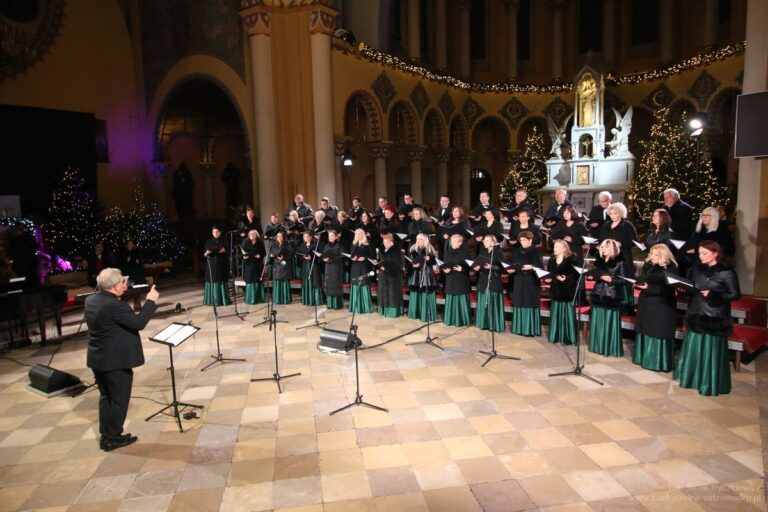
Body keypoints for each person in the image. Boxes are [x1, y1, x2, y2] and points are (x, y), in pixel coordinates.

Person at [85, 268, 159, 451]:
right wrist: (150, 301)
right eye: (122, 283)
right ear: (114, 286)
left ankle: (107, 434)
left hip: (98, 359)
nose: (125, 286)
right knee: (119, 400)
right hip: (115, 361)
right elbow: (138, 323)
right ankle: (112, 438)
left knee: (106, 397)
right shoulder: (115, 306)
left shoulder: (91, 300)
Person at [675, 241, 740, 396]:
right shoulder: (697, 269)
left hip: (713, 316)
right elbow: (694, 286)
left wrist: (713, 295)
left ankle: (709, 382)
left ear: (715, 253)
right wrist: (684, 288)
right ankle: (691, 380)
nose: (700, 256)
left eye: (704, 253)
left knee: (711, 351)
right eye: (699, 254)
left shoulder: (727, 272)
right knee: (694, 350)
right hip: (695, 312)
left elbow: (735, 294)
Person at [633, 244, 678, 372]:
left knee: (656, 331)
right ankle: (643, 357)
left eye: (656, 255)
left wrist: (648, 288)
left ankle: (657, 362)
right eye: (651, 254)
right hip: (647, 303)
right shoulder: (649, 267)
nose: (652, 257)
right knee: (645, 329)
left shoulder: (671, 269)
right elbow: (642, 280)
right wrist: (637, 284)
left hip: (662, 305)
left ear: (664, 256)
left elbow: (668, 290)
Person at [588, 239, 627, 357]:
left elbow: (624, 281)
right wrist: (591, 277)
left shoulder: (620, 261)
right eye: (603, 247)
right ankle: (597, 346)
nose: (604, 249)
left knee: (609, 324)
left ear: (613, 249)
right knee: (597, 322)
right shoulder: (599, 261)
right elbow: (596, 275)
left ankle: (609, 348)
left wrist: (611, 280)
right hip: (598, 293)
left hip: (611, 295)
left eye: (606, 247)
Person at [507, 231, 544, 336]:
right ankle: (519, 328)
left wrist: (532, 267)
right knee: (519, 302)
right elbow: (513, 264)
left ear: (530, 240)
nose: (522, 242)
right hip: (519, 280)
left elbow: (541, 268)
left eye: (524, 240)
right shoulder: (516, 251)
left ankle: (530, 329)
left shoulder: (536, 251)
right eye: (521, 240)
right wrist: (511, 269)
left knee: (529, 302)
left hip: (531, 281)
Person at [546, 240, 578, 345]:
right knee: (556, 314)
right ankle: (555, 336)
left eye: (557, 247)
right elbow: (550, 273)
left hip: (567, 291)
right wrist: (548, 278)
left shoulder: (572, 259)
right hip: (556, 290)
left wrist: (566, 278)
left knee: (567, 315)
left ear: (564, 248)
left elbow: (576, 275)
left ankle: (568, 337)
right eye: (555, 247)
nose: (555, 249)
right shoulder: (552, 259)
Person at [473, 234, 505, 332]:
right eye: (484, 241)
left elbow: (502, 268)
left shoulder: (498, 252)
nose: (484, 242)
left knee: (492, 302)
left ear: (492, 242)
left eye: (486, 241)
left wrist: (492, 267)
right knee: (483, 301)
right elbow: (478, 265)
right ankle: (484, 323)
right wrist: (476, 268)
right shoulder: (483, 252)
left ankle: (494, 325)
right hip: (483, 279)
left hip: (494, 280)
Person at [598, 202, 637, 280]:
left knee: (623, 280)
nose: (612, 216)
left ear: (620, 213)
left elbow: (634, 241)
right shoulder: (606, 225)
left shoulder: (627, 225)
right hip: (608, 257)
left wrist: (620, 244)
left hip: (623, 257)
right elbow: (600, 239)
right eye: (611, 213)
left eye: (615, 213)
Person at [407, 233, 438, 322]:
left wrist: (429, 259)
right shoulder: (413, 249)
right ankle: (415, 313)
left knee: (426, 292)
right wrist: (413, 266)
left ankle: (426, 315)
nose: (418, 241)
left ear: (425, 241)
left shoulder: (429, 249)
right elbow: (410, 263)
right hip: (416, 274)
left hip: (426, 274)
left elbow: (434, 263)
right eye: (417, 239)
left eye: (420, 239)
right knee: (415, 292)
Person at [442, 233, 471, 327]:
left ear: (460, 242)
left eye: (455, 241)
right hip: (450, 279)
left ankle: (462, 320)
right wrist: (445, 270)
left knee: (460, 299)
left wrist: (462, 269)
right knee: (450, 298)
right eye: (452, 241)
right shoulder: (447, 251)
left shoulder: (465, 252)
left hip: (461, 279)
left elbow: (470, 267)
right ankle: (450, 319)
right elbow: (445, 264)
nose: (453, 243)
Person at [376, 233, 403, 318]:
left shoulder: (396, 251)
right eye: (384, 242)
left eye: (386, 242)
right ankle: (384, 309)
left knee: (392, 294)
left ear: (391, 242)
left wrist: (386, 268)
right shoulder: (382, 250)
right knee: (383, 292)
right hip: (383, 275)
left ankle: (392, 312)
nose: (384, 244)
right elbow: (380, 261)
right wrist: (378, 266)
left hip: (393, 276)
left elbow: (399, 265)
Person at [203, 226, 230, 306]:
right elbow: (205, 252)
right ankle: (212, 300)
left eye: (217, 232)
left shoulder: (224, 241)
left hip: (221, 264)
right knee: (212, 279)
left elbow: (227, 251)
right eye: (214, 232)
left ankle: (223, 300)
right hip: (211, 265)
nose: (215, 233)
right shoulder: (209, 241)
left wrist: (223, 251)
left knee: (221, 279)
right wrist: (207, 253)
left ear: (220, 232)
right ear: (212, 233)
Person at [349, 228, 374, 313]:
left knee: (363, 284)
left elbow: (372, 258)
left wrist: (365, 258)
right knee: (355, 284)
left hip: (364, 267)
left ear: (363, 235)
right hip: (355, 267)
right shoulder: (353, 244)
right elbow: (351, 256)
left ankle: (365, 307)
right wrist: (352, 258)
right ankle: (355, 307)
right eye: (356, 234)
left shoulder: (368, 244)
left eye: (359, 234)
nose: (357, 235)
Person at [296, 231, 324, 306]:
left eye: (307, 236)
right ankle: (307, 299)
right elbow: (299, 254)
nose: (306, 238)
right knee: (306, 281)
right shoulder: (302, 245)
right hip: (305, 265)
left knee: (314, 281)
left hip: (313, 265)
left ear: (311, 237)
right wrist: (304, 257)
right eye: (304, 237)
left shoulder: (315, 245)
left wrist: (311, 258)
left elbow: (320, 255)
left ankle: (316, 300)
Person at [241, 229, 266, 304]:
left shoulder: (260, 242)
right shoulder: (246, 242)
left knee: (257, 280)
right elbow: (243, 252)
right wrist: (244, 257)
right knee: (250, 280)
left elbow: (264, 253)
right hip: (249, 264)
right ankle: (250, 299)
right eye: (250, 234)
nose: (251, 235)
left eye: (253, 234)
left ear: (256, 235)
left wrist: (260, 255)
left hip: (258, 264)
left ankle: (259, 298)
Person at [269, 230, 293, 304]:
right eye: (278, 236)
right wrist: (272, 255)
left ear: (283, 237)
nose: (279, 238)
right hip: (276, 264)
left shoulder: (287, 244)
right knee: (277, 280)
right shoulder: (273, 244)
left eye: (281, 236)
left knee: (284, 280)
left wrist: (283, 257)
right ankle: (277, 299)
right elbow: (271, 252)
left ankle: (285, 299)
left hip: (284, 265)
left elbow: (292, 253)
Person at [322, 229, 344, 309]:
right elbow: (323, 255)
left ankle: (336, 304)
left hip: (336, 267)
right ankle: (330, 304)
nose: (330, 237)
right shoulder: (326, 245)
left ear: (336, 237)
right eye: (329, 236)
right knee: (329, 285)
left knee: (336, 285)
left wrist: (332, 259)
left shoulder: (340, 245)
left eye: (332, 236)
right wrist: (324, 259)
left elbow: (342, 256)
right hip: (328, 267)